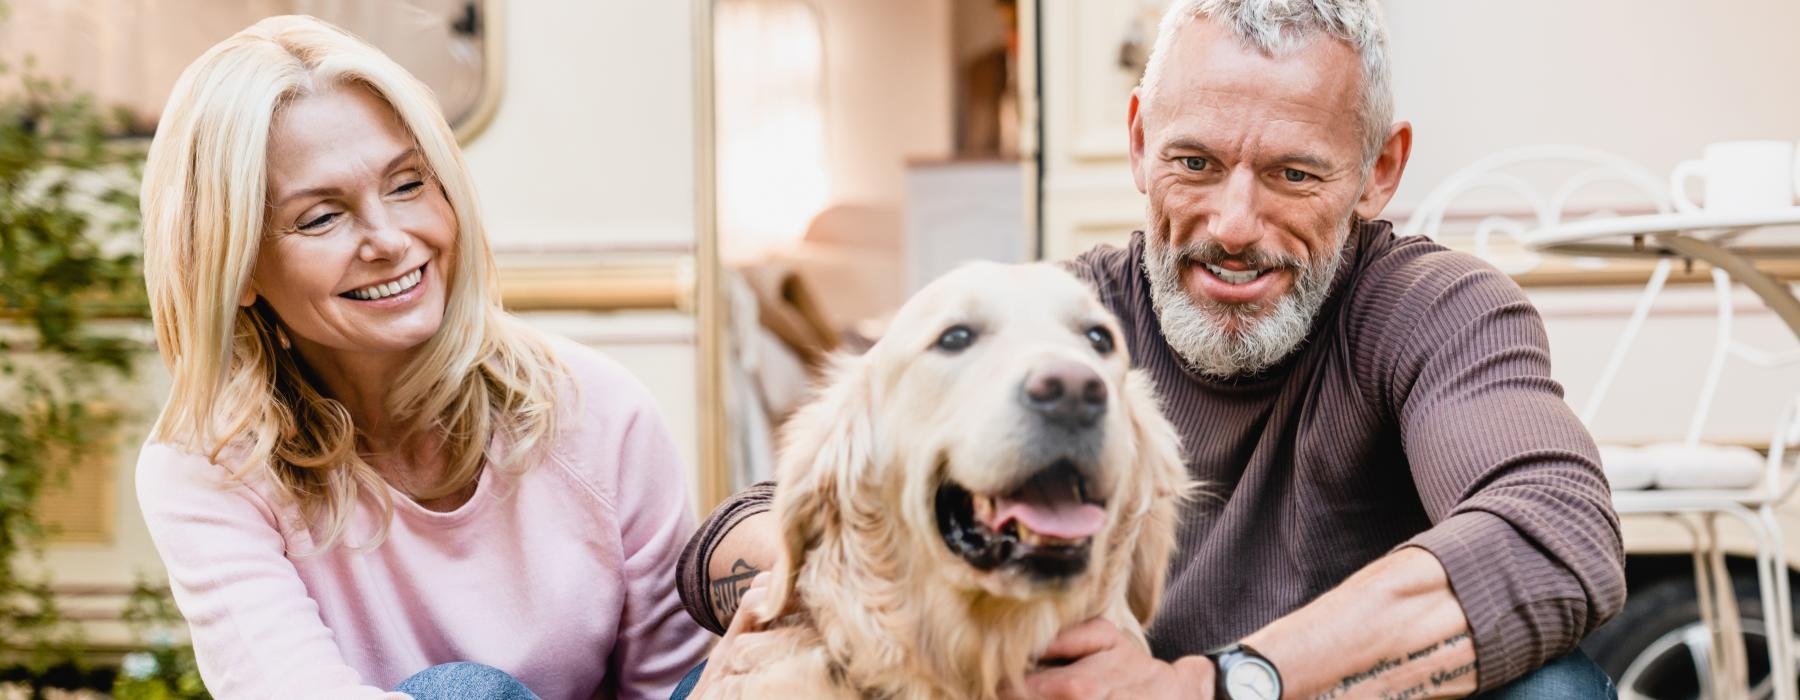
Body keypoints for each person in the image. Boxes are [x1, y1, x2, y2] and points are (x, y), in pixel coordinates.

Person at [675, 1, 1624, 698]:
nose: (1234, 224)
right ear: (1138, 142)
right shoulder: (1060, 324)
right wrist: (810, 589)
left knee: (1559, 692)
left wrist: (1214, 686)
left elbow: (1554, 531)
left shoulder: (1433, 308)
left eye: (1294, 174)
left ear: (1379, 170)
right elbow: (739, 528)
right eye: (1195, 163)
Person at [135, 16, 707, 699]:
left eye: (408, 185)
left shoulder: (599, 410)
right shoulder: (210, 464)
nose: (390, 239)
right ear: (238, 267)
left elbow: (678, 685)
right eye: (321, 217)